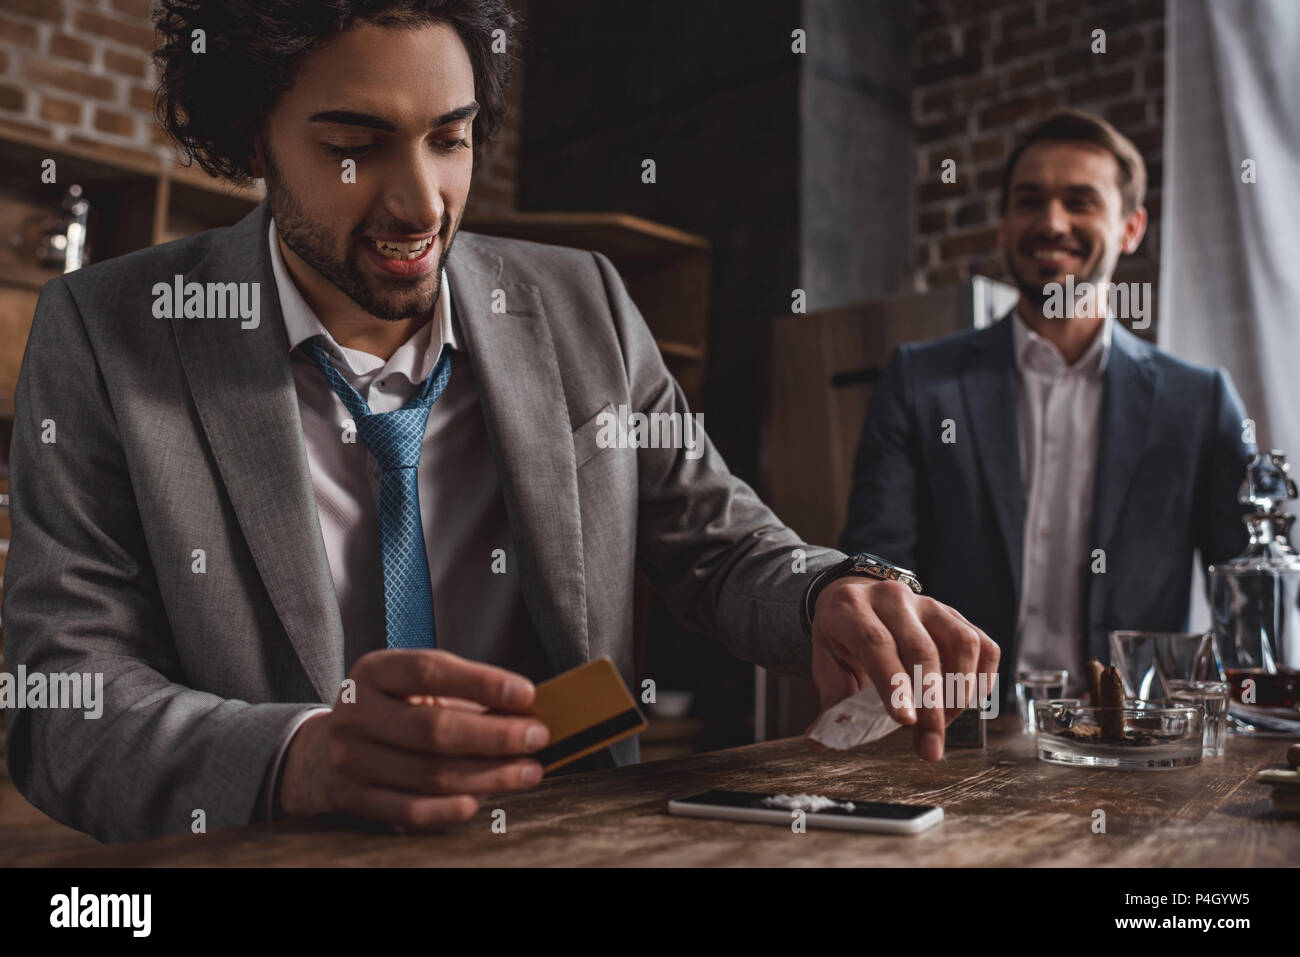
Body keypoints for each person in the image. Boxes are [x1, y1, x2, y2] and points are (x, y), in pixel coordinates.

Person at [3, 0, 996, 843]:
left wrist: (827, 591)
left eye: (451, 137)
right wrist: (299, 755)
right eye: (353, 148)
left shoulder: (586, 305)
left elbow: (720, 546)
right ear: (254, 135)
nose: (419, 202)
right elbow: (63, 698)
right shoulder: (105, 331)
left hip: (562, 847)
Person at [840, 109, 1253, 702]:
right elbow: (875, 566)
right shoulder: (918, 381)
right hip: (957, 738)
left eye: (1080, 201)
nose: (1052, 222)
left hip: (1132, 750)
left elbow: (1247, 598)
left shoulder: (1199, 400)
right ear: (1004, 224)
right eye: (1029, 201)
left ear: (1131, 227)